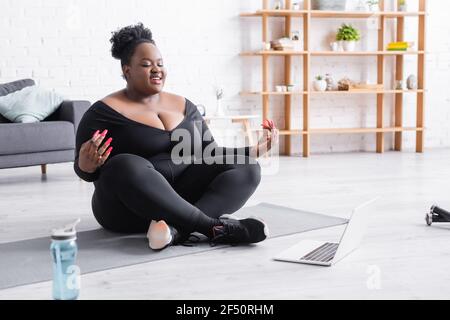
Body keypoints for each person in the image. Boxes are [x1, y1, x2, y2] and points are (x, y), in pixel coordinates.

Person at [74, 23, 279, 251]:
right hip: (128, 209)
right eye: (146, 64)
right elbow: (84, 170)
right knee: (123, 164)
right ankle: (213, 228)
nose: (156, 69)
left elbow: (210, 154)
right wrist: (86, 165)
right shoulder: (102, 113)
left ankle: (175, 230)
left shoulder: (184, 105)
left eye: (160, 64)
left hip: (182, 202)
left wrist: (254, 150)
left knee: (247, 167)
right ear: (127, 70)